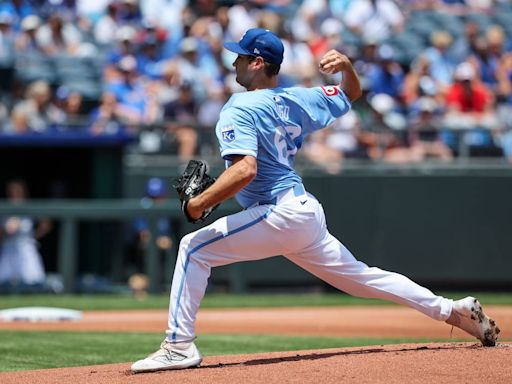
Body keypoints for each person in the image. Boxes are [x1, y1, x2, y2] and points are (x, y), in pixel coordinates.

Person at [131, 28, 500, 373]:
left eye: (241, 57)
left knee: (193, 248)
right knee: (361, 278)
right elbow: (350, 94)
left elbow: (245, 170)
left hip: (280, 212)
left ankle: (179, 345)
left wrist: (198, 204)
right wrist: (348, 68)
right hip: (302, 211)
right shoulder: (298, 98)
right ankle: (452, 310)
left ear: (258, 63)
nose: (234, 63)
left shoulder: (238, 107)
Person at [0, 179, 52, 289]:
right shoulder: (4, 207)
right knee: (5, 283)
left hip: (26, 248)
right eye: (11, 192)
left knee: (33, 282)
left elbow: (46, 224)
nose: (14, 194)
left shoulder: (29, 206)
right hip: (8, 248)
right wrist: (6, 231)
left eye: (17, 191)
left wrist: (33, 236)